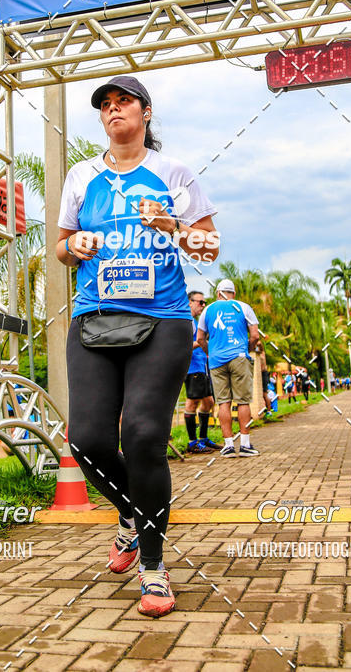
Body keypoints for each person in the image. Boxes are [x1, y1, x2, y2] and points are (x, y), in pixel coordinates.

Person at [57, 74, 218, 618]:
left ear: (146, 113)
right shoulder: (82, 176)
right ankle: (130, 515)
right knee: (87, 441)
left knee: (145, 434)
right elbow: (61, 246)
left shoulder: (175, 173)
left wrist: (171, 223)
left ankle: (154, 566)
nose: (112, 109)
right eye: (104, 104)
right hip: (94, 320)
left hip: (162, 320)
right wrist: (72, 244)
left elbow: (209, 244)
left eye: (123, 101)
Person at [197, 279, 259, 458]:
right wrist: (246, 350)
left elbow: (200, 338)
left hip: (216, 360)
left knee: (223, 401)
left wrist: (212, 352)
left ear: (218, 293)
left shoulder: (208, 310)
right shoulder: (243, 307)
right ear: (234, 293)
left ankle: (228, 446)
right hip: (239, 357)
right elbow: (254, 335)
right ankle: (245, 445)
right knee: (243, 401)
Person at [184, 291, 219, 453]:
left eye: (204, 302)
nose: (203, 305)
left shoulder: (195, 322)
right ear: (190, 302)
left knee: (209, 402)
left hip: (201, 366)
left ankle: (203, 438)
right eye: (200, 302)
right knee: (192, 402)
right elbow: (184, 347)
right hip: (192, 368)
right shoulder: (186, 321)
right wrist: (202, 341)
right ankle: (192, 443)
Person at [255, 340, 274, 418]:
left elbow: (259, 344)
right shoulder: (256, 355)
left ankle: (269, 410)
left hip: (264, 374)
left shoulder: (262, 354)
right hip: (258, 374)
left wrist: (258, 343)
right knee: (260, 394)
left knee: (264, 393)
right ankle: (264, 409)